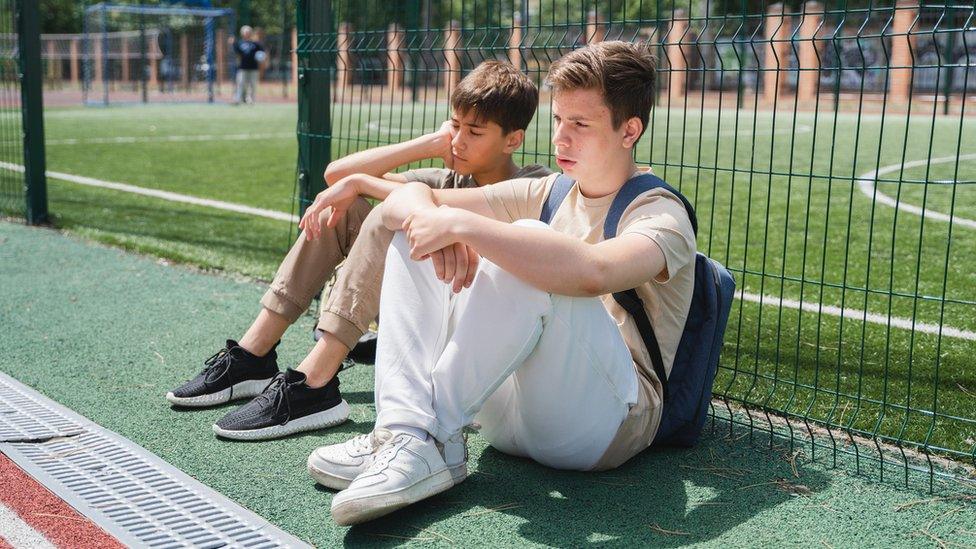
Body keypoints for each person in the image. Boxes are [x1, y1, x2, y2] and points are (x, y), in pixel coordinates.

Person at [310, 41, 698, 526]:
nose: (561, 138)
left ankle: (425, 435)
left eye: (581, 124)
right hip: (506, 420)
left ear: (630, 130)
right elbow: (411, 198)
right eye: (558, 120)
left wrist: (463, 227)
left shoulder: (660, 212)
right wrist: (383, 194)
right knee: (420, 234)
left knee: (527, 241)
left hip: (605, 425)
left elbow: (593, 271)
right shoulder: (548, 190)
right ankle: (408, 433)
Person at [166, 61, 550, 441]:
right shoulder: (450, 175)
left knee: (387, 213)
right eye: (454, 126)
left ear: (512, 140)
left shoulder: (533, 183)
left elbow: (448, 201)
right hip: (428, 309)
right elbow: (337, 175)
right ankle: (254, 356)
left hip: (474, 332)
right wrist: (428, 143)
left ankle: (316, 382)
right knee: (343, 210)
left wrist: (365, 184)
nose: (458, 141)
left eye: (475, 132)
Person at [231, 26, 265, 105]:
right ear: (242, 33)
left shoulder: (255, 44)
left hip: (254, 68)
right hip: (242, 67)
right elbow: (236, 52)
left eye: (249, 32)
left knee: (252, 85)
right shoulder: (239, 43)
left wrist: (262, 58)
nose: (247, 34)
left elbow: (262, 53)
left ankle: (251, 100)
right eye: (245, 32)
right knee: (240, 84)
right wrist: (233, 43)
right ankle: (238, 99)